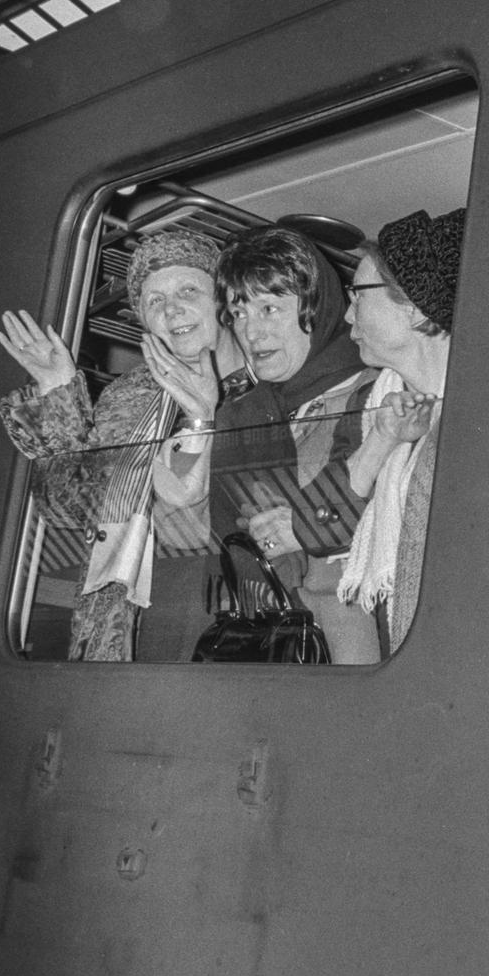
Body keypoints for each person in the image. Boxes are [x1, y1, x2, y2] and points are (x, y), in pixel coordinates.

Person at [0, 228, 231, 661]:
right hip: (117, 609)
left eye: (189, 290)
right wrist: (58, 392)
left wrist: (202, 418)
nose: (172, 308)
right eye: (154, 300)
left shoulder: (258, 375)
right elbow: (66, 507)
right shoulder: (128, 395)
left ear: (222, 300)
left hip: (216, 599)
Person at [153, 224, 377, 663]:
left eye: (270, 309)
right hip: (262, 645)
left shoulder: (371, 392)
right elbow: (181, 535)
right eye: (239, 314)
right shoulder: (239, 413)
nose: (252, 332)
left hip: (351, 644)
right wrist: (200, 421)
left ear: (317, 306)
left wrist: (299, 527)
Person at [332, 207, 463, 654]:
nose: (348, 317)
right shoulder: (376, 404)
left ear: (410, 306)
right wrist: (383, 438)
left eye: (359, 296)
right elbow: (325, 521)